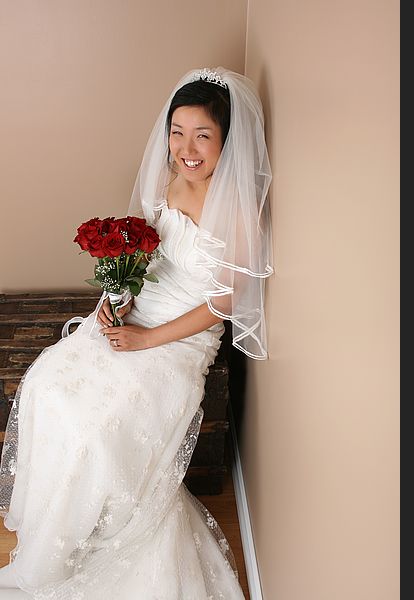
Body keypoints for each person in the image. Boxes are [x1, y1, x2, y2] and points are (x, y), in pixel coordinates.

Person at [0, 66, 273, 598]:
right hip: (137, 314)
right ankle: (53, 526)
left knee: (95, 430)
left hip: (180, 339)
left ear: (226, 141)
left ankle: (91, 535)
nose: (186, 149)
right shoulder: (172, 180)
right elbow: (145, 256)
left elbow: (222, 306)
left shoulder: (236, 209)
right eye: (178, 132)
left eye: (203, 136)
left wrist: (148, 340)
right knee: (48, 385)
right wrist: (114, 300)